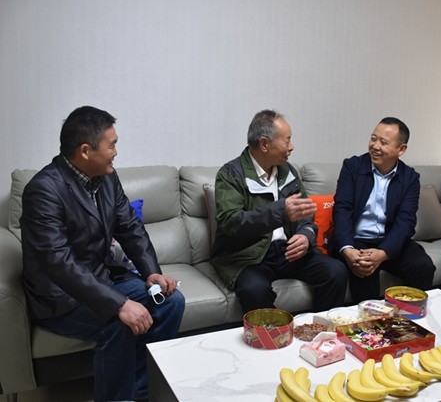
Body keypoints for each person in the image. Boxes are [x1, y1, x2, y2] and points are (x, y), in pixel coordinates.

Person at [21, 106, 185, 402]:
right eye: (112, 144)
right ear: (86, 151)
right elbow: (59, 263)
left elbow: (130, 227)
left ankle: (141, 391)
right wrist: (118, 303)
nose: (116, 152)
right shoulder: (43, 191)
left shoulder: (106, 178)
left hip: (101, 280)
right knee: (120, 321)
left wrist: (151, 272)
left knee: (171, 301)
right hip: (61, 296)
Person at [210, 109, 348, 313]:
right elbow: (231, 222)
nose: (291, 147)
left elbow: (306, 213)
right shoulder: (230, 174)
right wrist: (280, 212)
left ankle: (319, 328)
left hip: (287, 251)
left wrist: (306, 235)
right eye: (287, 140)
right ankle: (276, 333)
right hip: (249, 256)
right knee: (254, 290)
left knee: (336, 271)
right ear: (264, 144)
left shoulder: (288, 172)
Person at [331, 117, 436, 303]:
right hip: (357, 240)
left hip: (390, 240)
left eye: (383, 142)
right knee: (364, 273)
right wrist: (347, 249)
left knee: (423, 266)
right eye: (373, 139)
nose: (375, 146)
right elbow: (342, 209)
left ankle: (410, 316)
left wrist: (384, 252)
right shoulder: (352, 167)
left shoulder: (410, 178)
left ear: (401, 149)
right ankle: (372, 320)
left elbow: (406, 221)